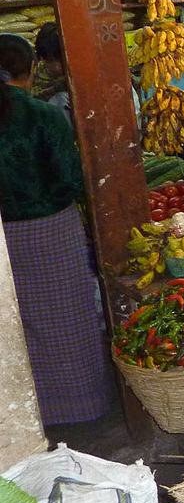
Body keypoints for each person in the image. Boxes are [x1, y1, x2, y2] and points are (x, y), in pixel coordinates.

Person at [0, 34, 115, 425]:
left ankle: (36, 411)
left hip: (6, 239)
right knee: (69, 318)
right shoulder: (43, 115)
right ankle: (83, 408)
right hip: (52, 231)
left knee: (23, 323)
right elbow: (70, 177)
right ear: (31, 69)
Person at [33, 23, 72, 123]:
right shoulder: (33, 75)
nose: (57, 67)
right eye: (50, 61)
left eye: (60, 60)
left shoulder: (79, 70)